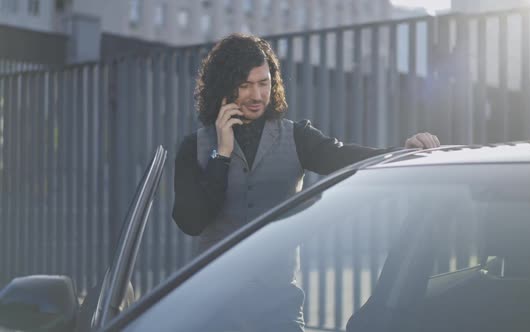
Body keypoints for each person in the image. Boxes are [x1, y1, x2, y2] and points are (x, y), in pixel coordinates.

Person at [172, 33, 440, 331]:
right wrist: (221, 155)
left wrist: (404, 151)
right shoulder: (194, 147)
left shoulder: (296, 137)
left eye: (264, 83)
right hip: (212, 311)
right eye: (245, 85)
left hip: (277, 310)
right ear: (224, 87)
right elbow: (191, 222)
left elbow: (345, 157)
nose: (257, 95)